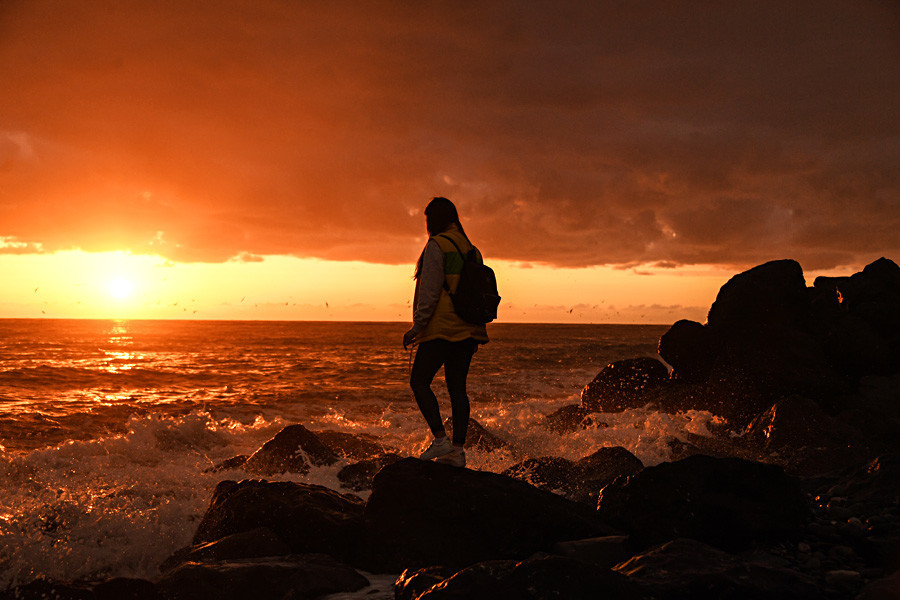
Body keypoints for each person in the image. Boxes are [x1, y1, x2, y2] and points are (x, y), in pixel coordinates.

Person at [403, 197, 489, 468]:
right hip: (468, 330)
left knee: (419, 381)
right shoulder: (472, 250)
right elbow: (478, 294)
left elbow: (429, 291)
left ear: (435, 219)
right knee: (457, 389)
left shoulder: (437, 245)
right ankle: (457, 450)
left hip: (441, 329)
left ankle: (440, 439)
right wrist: (478, 330)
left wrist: (417, 327)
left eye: (427, 219)